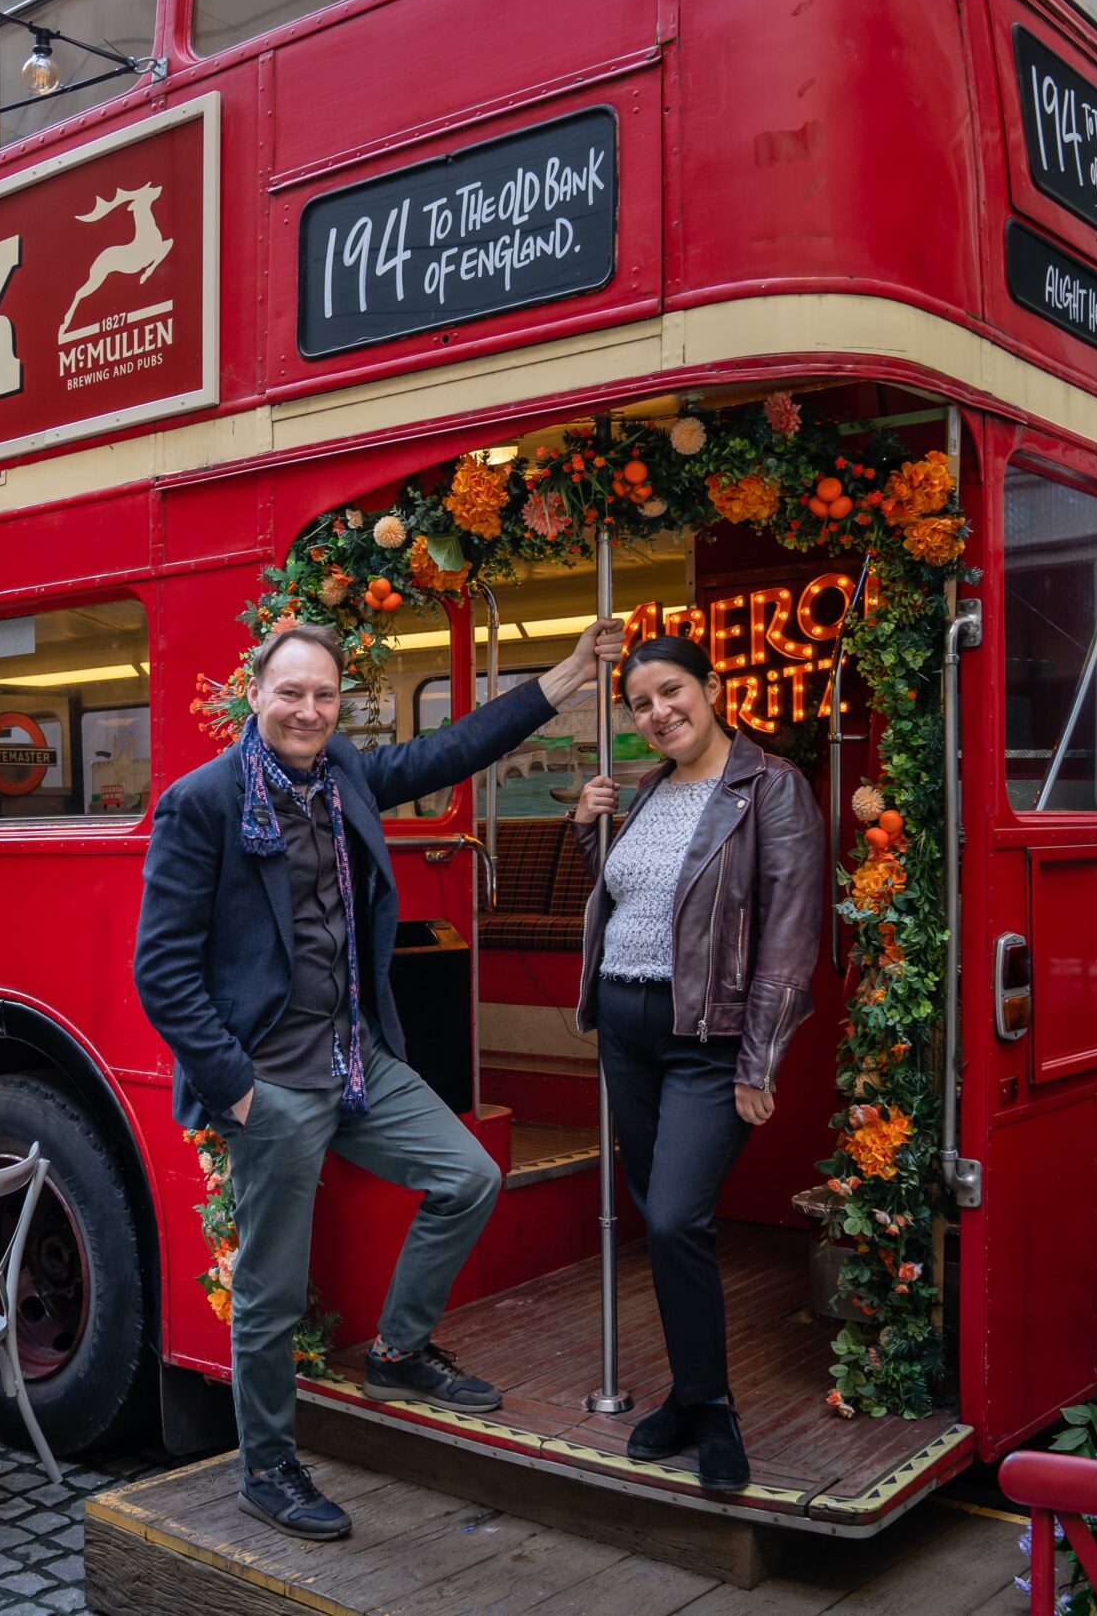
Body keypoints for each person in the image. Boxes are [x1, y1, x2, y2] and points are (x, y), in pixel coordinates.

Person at [136, 614, 624, 1541]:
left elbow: (450, 747)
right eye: (292, 692)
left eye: (325, 695)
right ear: (256, 697)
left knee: (469, 1174)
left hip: (355, 1060)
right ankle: (267, 1466)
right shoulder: (202, 803)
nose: (309, 709)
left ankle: (398, 1350)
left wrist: (561, 679)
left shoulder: (344, 775)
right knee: (271, 1292)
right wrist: (238, 1089)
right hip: (271, 1084)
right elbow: (160, 970)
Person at [569, 634, 823, 1492]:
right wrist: (583, 830)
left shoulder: (770, 787)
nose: (658, 713)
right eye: (641, 704)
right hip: (625, 1027)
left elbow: (790, 935)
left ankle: (713, 1412)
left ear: (712, 688)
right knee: (659, 1219)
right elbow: (623, 898)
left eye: (671, 691)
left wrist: (760, 1061)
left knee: (678, 1217)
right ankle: (691, 1392)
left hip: (707, 1039)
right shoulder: (642, 791)